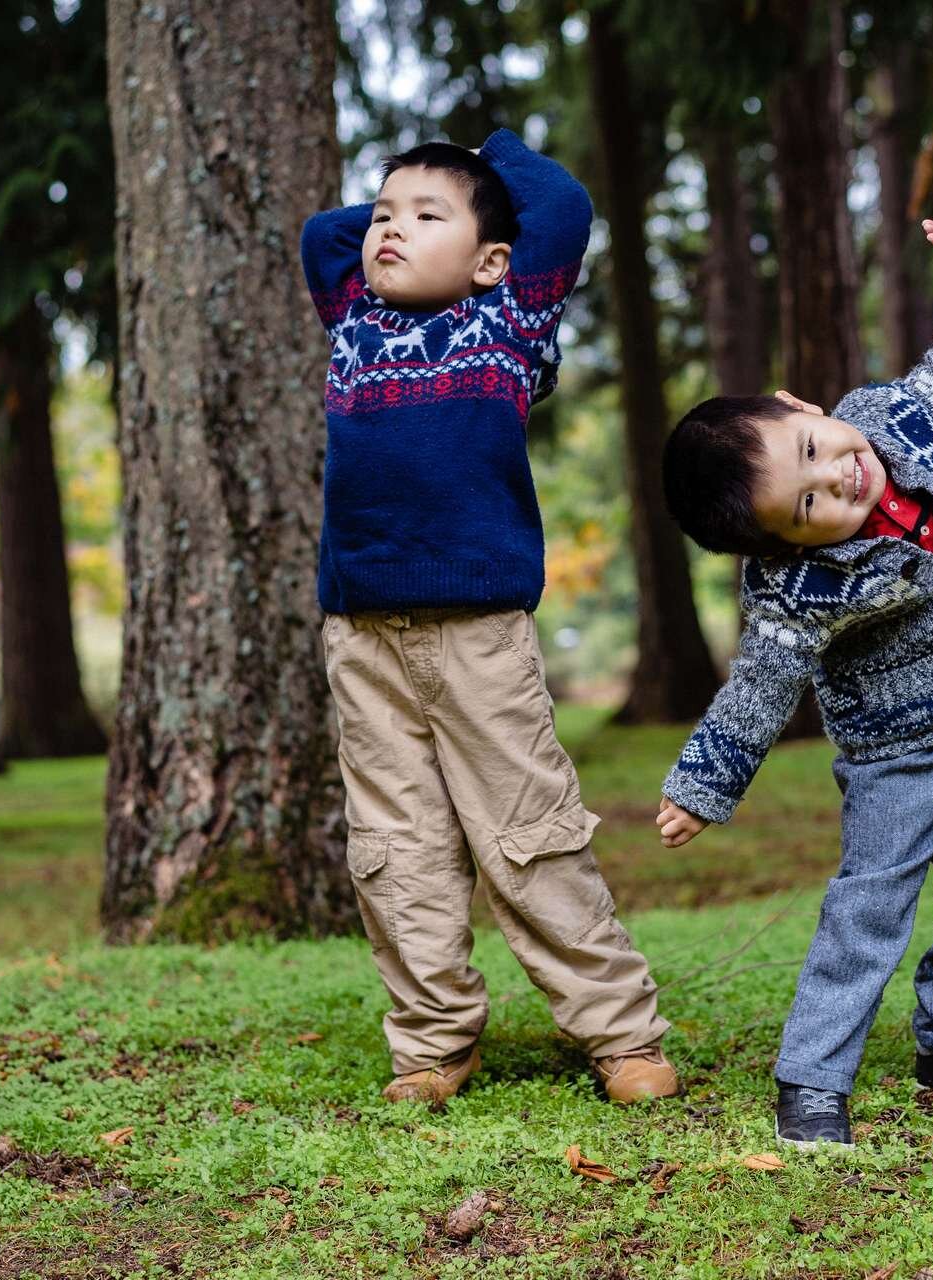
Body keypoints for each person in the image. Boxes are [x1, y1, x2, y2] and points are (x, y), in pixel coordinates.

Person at [300, 131, 677, 1107]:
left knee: (529, 832)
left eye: (427, 218)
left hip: (479, 634)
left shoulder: (506, 319)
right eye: (384, 215)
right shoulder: (352, 316)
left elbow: (563, 206)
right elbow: (320, 236)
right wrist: (413, 200)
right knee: (397, 844)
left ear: (491, 259)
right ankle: (433, 1042)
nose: (389, 230)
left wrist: (484, 157)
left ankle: (620, 1032)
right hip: (364, 635)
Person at [655, 218, 933, 1147]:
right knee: (871, 905)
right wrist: (703, 785)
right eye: (807, 505)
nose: (839, 479)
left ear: (804, 405)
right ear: (780, 545)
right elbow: (758, 688)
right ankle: (812, 1079)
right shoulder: (801, 588)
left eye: (815, 449)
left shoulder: (900, 418)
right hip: (894, 754)